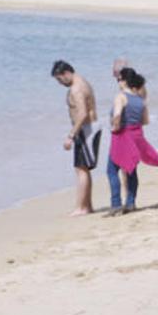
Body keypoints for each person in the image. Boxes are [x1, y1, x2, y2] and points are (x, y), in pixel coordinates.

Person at [105, 68, 158, 216]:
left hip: (122, 135)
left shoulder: (121, 96)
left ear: (124, 80)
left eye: (119, 79)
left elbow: (118, 115)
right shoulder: (140, 100)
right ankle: (131, 203)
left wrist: (114, 127)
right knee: (131, 170)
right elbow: (145, 121)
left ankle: (116, 204)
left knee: (112, 170)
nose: (118, 82)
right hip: (137, 135)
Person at [51, 60, 100, 217]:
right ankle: (88, 206)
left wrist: (71, 136)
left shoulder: (76, 88)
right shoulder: (82, 81)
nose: (59, 83)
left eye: (59, 79)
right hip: (88, 128)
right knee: (83, 169)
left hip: (86, 130)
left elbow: (83, 113)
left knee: (81, 169)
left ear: (66, 73)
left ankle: (81, 207)